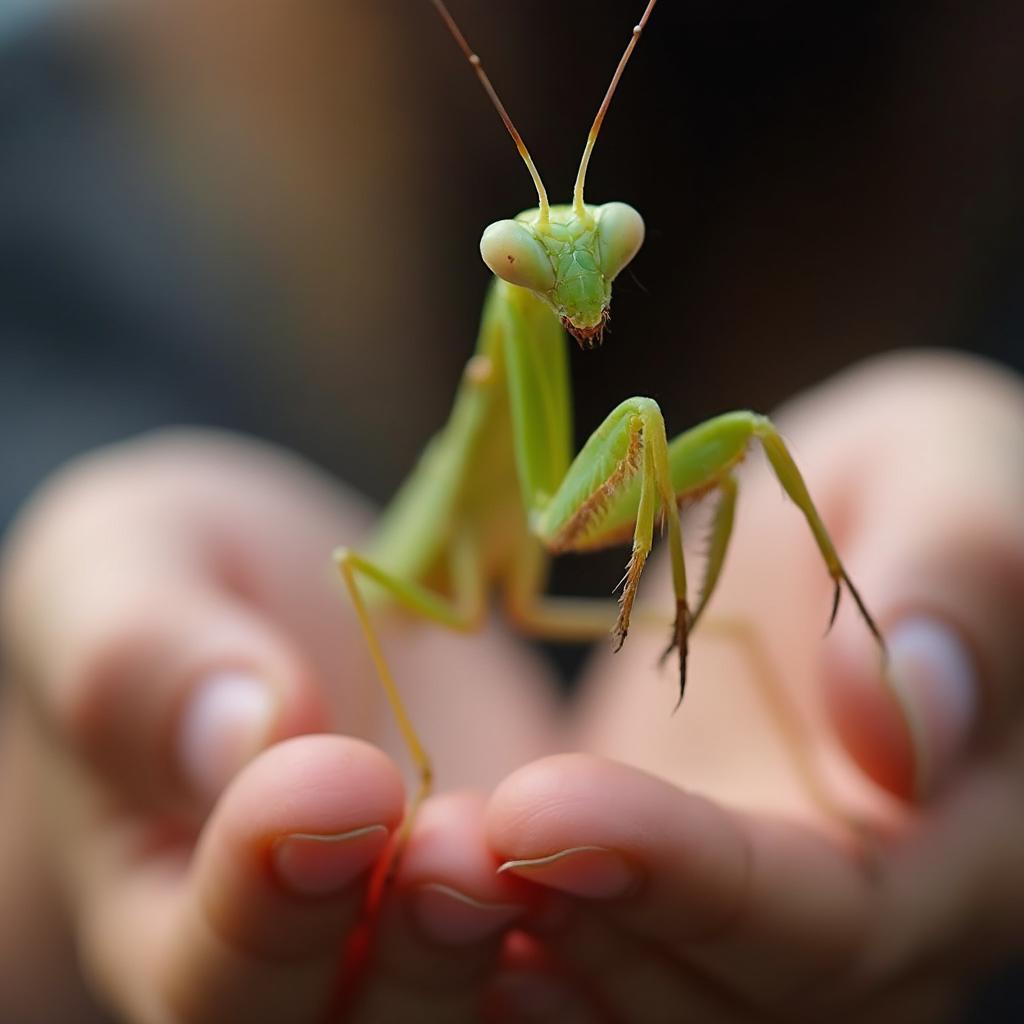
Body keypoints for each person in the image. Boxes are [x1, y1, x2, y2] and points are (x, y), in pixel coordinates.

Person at [1, 3, 1022, 1022]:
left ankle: (776, 619)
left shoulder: (974, 195)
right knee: (431, 538)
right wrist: (68, 836)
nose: (580, 286)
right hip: (409, 597)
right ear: (509, 270)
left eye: (606, 247)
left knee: (744, 447)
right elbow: (526, 525)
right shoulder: (97, 158)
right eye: (537, 265)